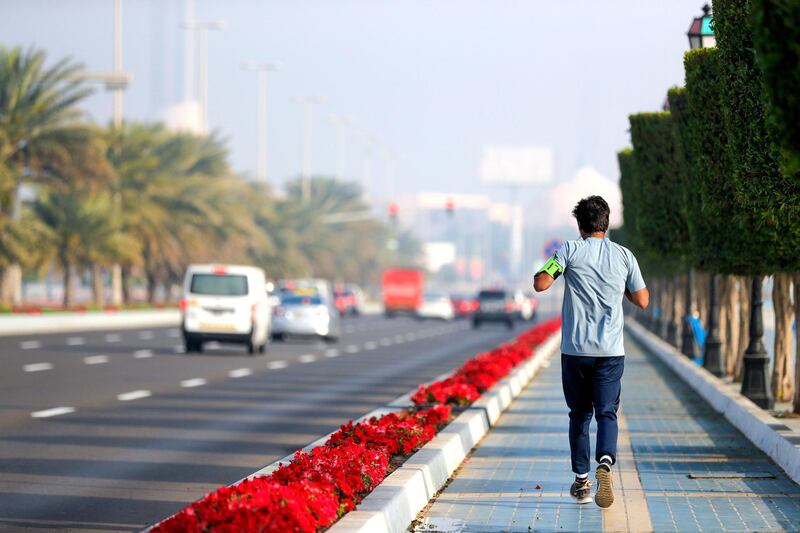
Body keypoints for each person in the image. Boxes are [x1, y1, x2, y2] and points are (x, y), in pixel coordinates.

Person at [533, 195, 649, 508]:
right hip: (611, 352)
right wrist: (620, 288)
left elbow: (541, 284)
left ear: (580, 225)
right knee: (607, 411)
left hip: (575, 352)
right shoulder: (624, 256)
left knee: (580, 416)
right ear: (607, 224)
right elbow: (643, 300)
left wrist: (554, 270)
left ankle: (582, 483)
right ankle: (606, 463)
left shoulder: (568, 250)